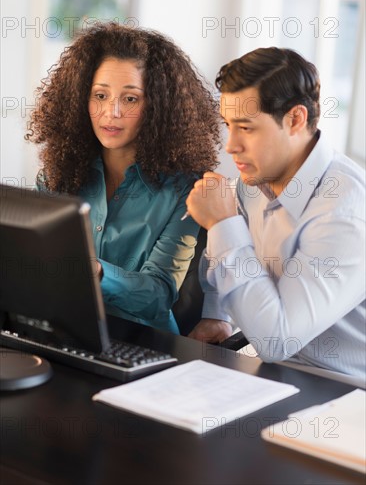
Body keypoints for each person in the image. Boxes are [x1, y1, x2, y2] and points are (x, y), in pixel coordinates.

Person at [26, 21, 221, 334]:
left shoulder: (186, 189)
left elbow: (157, 296)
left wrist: (96, 272)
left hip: (144, 343)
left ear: (158, 107)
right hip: (62, 331)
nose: (111, 113)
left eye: (130, 99)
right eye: (100, 95)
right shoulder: (55, 175)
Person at [186, 47, 365, 379]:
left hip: (342, 392)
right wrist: (217, 314)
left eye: (246, 128)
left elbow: (276, 339)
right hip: (270, 373)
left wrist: (222, 222)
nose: (231, 145)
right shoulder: (255, 179)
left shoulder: (345, 214)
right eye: (228, 125)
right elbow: (226, 260)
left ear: (295, 119)